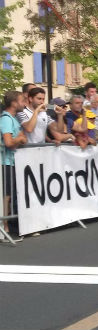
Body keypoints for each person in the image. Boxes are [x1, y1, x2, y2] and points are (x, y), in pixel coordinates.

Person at [0, 91, 27, 235]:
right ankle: (5, 227)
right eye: (22, 100)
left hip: (12, 161)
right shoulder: (6, 119)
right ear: (14, 103)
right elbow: (9, 141)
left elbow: (24, 138)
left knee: (10, 194)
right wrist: (19, 139)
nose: (24, 104)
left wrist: (21, 138)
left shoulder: (13, 119)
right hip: (5, 162)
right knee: (6, 195)